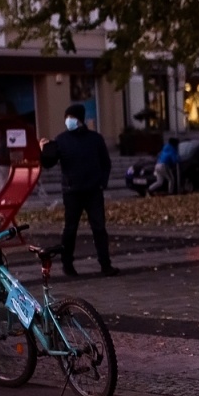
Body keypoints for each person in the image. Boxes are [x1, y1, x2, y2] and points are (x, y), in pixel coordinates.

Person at [40, 104, 117, 276]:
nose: (68, 121)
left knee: (99, 228)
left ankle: (105, 264)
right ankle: (67, 265)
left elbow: (106, 162)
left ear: (80, 119)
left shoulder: (95, 139)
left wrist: (101, 183)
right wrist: (43, 151)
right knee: (70, 229)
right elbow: (48, 163)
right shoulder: (61, 140)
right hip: (72, 192)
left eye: (71, 117)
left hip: (93, 191)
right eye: (67, 117)